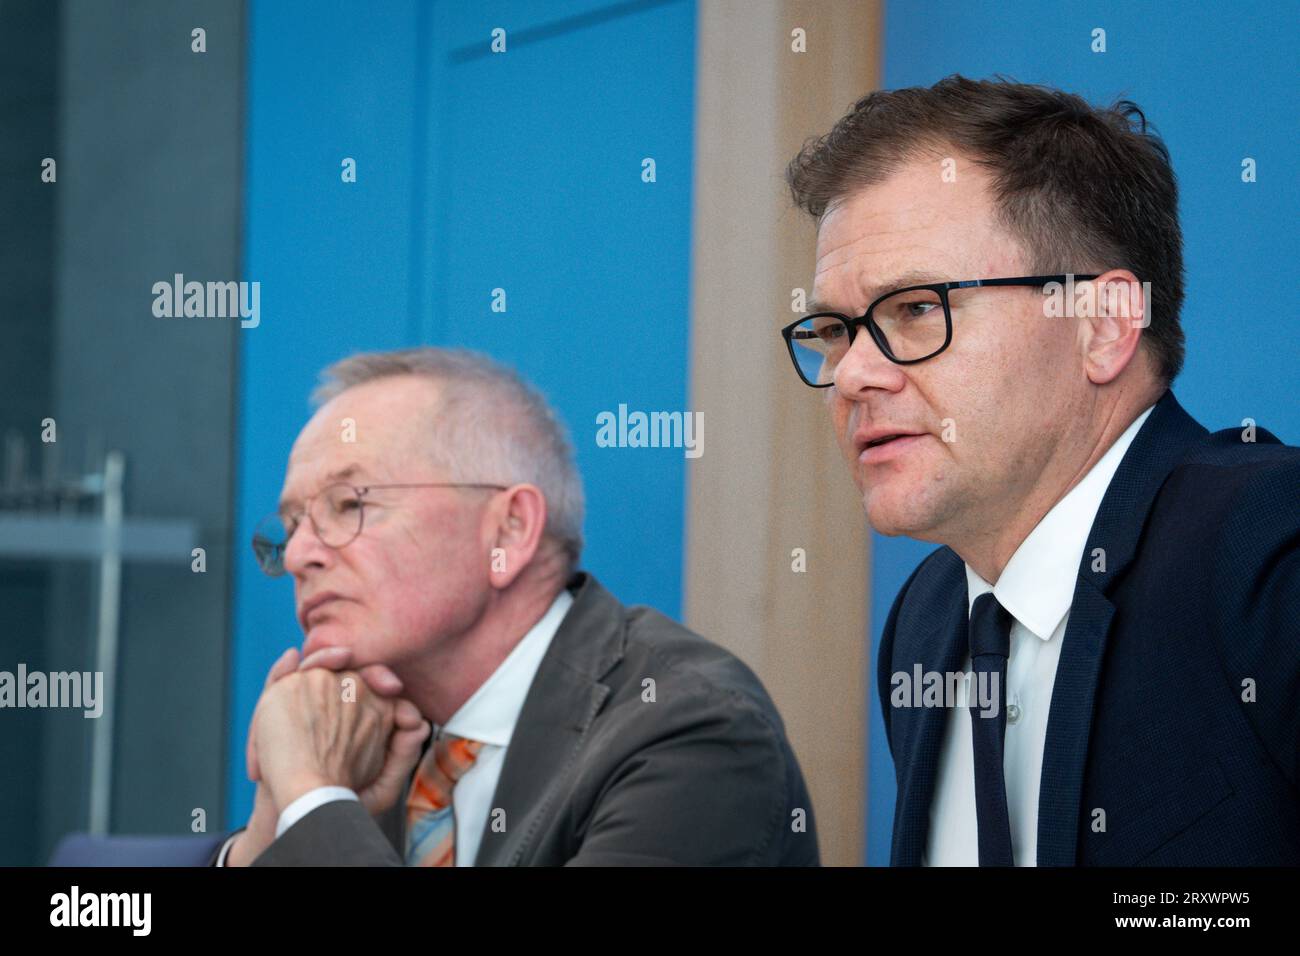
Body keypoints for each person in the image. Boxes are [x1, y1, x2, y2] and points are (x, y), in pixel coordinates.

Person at [780, 75, 1298, 865]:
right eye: (832, 330)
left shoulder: (1268, 545)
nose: (852, 375)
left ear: (1104, 324)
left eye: (916, 308)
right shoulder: (925, 621)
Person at [213, 347, 818, 866]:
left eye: (348, 504)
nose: (298, 556)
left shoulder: (694, 732)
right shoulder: (372, 738)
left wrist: (312, 797)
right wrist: (274, 823)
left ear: (508, 531)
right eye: (291, 527)